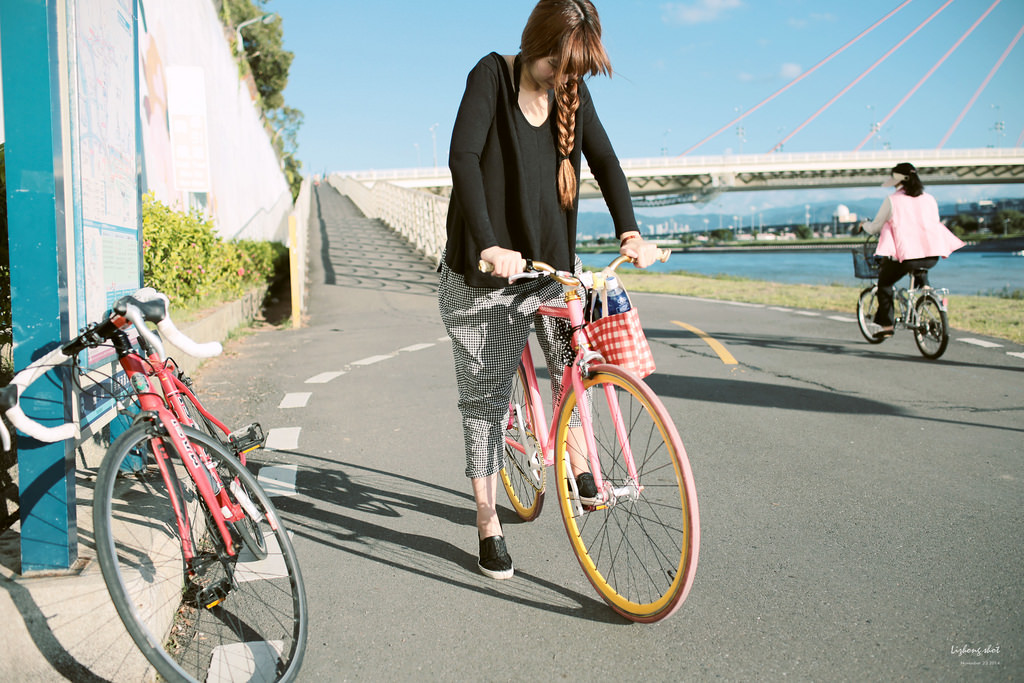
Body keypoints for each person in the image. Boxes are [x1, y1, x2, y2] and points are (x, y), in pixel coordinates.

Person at [438, 0, 661, 580]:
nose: (565, 78)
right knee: (485, 401)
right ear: (533, 43)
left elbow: (605, 161)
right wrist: (489, 244)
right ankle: (487, 518)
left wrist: (631, 231)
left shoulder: (572, 95)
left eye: (575, 71)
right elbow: (463, 158)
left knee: (572, 363)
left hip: (550, 268)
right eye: (558, 66)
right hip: (485, 274)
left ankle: (581, 465)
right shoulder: (491, 75)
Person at [859, 162, 965, 337]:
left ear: (897, 180)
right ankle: (926, 290)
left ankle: (887, 326)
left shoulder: (893, 200)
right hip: (932, 254)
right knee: (919, 266)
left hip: (908, 257)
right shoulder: (929, 198)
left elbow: (876, 227)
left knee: (885, 283)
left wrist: (863, 225)